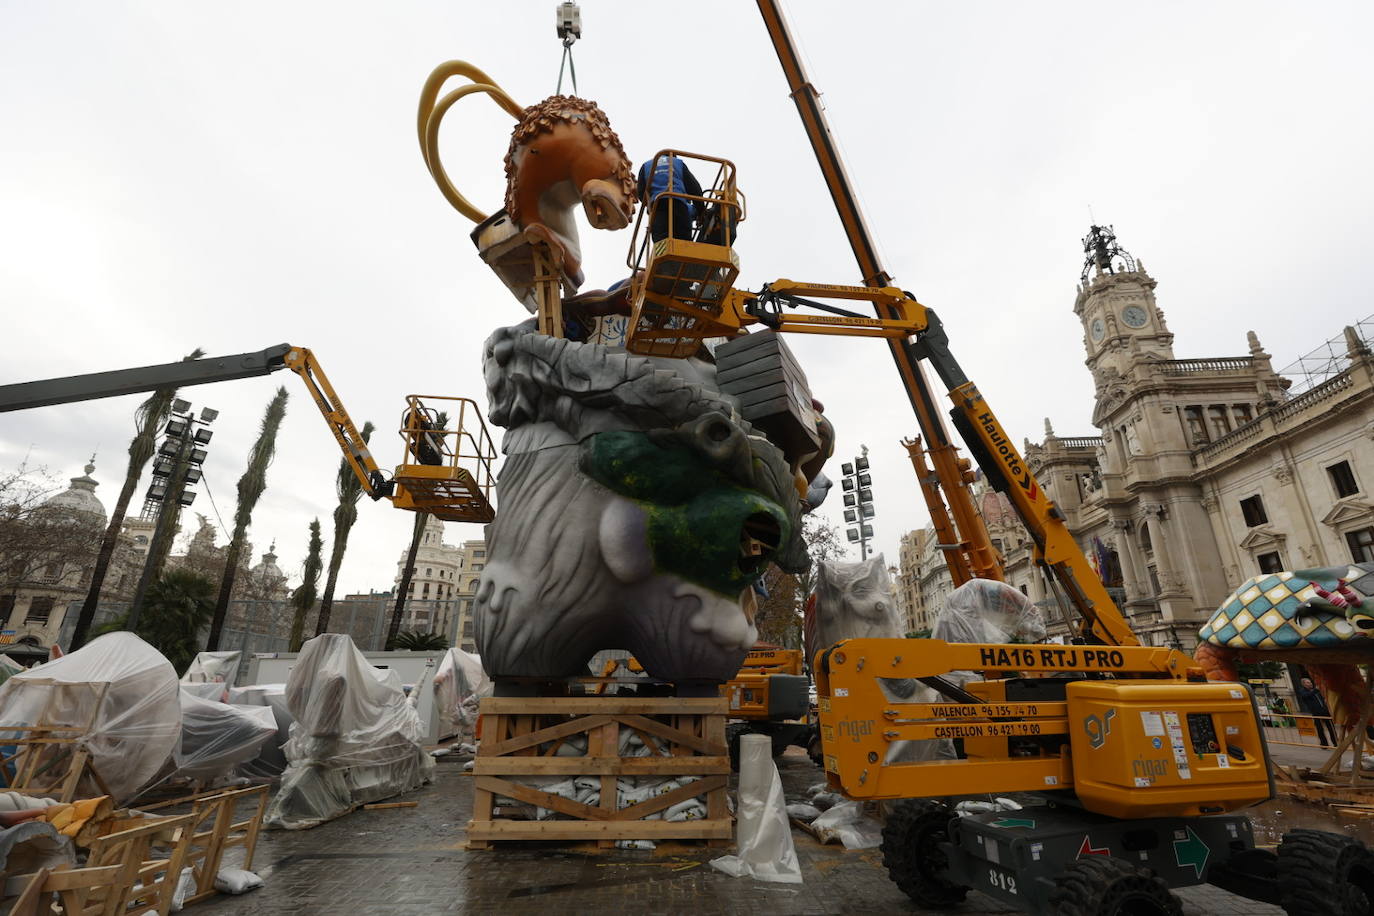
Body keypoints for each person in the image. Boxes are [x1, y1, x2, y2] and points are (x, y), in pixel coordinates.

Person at [637, 154, 702, 242]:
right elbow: (694, 188)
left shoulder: (646, 165)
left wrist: (650, 207)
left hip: (657, 207)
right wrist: (701, 211)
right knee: (683, 240)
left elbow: (641, 192)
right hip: (678, 204)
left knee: (661, 241)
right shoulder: (678, 163)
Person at [1296, 676, 1338, 747]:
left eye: (1310, 682)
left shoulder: (1316, 691)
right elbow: (1306, 695)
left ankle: (1335, 742)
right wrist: (1316, 689)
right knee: (1320, 729)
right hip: (1316, 712)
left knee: (1331, 727)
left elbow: (1323, 697)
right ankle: (1324, 743)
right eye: (1308, 682)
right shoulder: (1303, 691)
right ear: (1303, 684)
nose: (1310, 684)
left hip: (1325, 711)